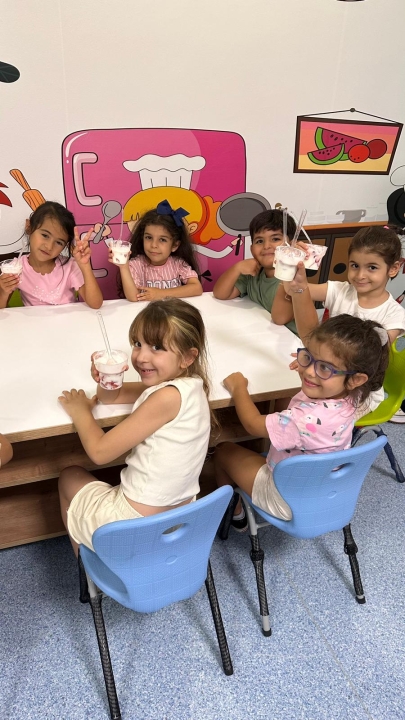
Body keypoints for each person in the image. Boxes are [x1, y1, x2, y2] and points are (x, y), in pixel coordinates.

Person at [58, 298, 211, 553]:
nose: (141, 356)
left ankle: (89, 569)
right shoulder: (190, 385)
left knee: (68, 476)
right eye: (138, 344)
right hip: (177, 520)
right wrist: (107, 378)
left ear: (187, 357)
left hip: (135, 525)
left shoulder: (165, 398)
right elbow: (113, 396)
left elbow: (99, 453)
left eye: (157, 347)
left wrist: (80, 411)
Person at [215, 315, 389, 531]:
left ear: (355, 379)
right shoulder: (357, 395)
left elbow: (252, 424)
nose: (308, 371)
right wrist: (319, 364)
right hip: (323, 489)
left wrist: (238, 387)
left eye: (325, 368)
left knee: (222, 450)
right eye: (308, 357)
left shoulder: (302, 420)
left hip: (283, 498)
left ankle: (235, 514)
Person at [271, 225, 405, 415]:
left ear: (393, 268)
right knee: (284, 397)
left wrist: (317, 361)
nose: (360, 275)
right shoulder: (340, 290)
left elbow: (367, 362)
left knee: (303, 414)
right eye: (355, 265)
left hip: (358, 389)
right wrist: (292, 265)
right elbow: (293, 289)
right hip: (326, 374)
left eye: (372, 267)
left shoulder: (394, 315)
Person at [0, 201, 103, 309]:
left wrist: (85, 266)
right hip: (35, 319)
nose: (49, 247)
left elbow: (95, 304)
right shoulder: (15, 268)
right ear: (29, 227)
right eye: (45, 235)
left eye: (59, 242)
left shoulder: (70, 266)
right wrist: (3, 291)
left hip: (68, 319)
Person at [213, 209, 297, 334]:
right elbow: (220, 294)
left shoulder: (295, 280)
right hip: (262, 335)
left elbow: (281, 319)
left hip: (294, 342)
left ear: (292, 245)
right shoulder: (253, 273)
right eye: (259, 241)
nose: (266, 246)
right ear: (252, 249)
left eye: (275, 239)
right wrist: (237, 267)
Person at [113, 199, 203, 302]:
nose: (154, 245)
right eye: (149, 237)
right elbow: (133, 297)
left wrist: (161, 294)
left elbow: (197, 288)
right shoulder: (135, 265)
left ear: (175, 245)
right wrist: (124, 267)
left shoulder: (178, 264)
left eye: (162, 240)